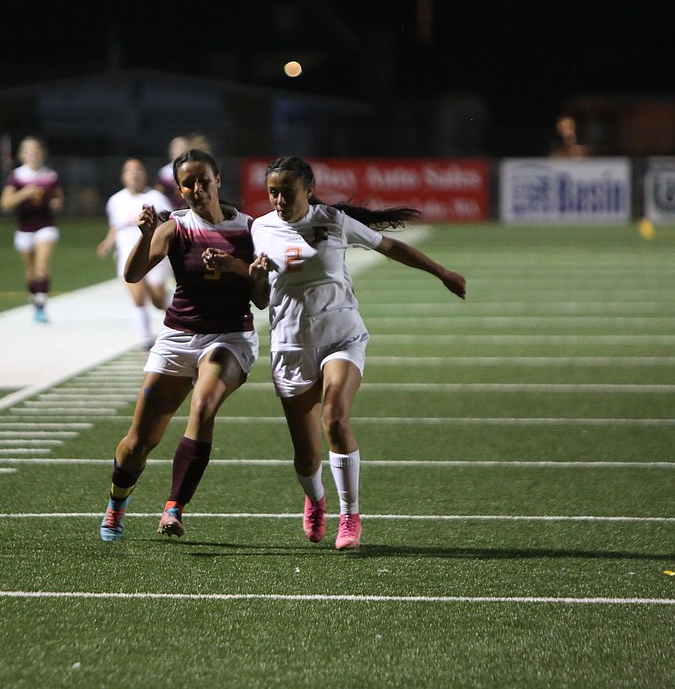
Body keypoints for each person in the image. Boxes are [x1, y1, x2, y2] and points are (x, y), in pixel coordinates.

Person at [251, 156, 467, 549]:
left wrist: (442, 273)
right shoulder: (259, 229)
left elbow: (390, 246)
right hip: (291, 344)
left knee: (334, 418)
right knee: (305, 455)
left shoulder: (332, 220)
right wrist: (251, 276)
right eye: (272, 192)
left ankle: (349, 515)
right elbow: (261, 299)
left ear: (309, 190)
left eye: (287, 191)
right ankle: (316, 499)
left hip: (342, 336)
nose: (279, 200)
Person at [100, 148, 266, 541]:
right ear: (178, 189)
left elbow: (262, 298)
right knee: (139, 441)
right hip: (178, 336)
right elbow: (134, 273)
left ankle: (174, 507)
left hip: (230, 336)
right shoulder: (175, 226)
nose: (196, 189)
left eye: (203, 180)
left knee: (204, 403)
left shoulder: (250, 229)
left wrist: (237, 267)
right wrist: (144, 236)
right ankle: (116, 504)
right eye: (187, 183)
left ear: (218, 180)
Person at [96, 157, 175, 349]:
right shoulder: (116, 200)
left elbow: (171, 224)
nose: (135, 175)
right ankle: (147, 340)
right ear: (124, 176)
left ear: (145, 174)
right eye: (130, 171)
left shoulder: (157, 198)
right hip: (128, 255)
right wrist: (108, 242)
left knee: (158, 299)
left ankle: (181, 315)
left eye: (138, 170)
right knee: (138, 295)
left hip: (154, 255)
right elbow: (116, 226)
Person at [0, 135, 64, 323]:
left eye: (36, 150)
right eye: (29, 150)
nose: (33, 154)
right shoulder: (17, 176)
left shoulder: (50, 176)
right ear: (22, 155)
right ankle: (35, 297)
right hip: (24, 227)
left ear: (42, 153)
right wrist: (24, 193)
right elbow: (5, 203)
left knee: (41, 268)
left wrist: (56, 203)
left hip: (46, 226)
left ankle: (41, 306)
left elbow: (59, 198)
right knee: (31, 271)